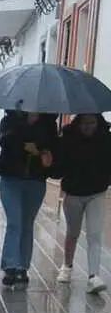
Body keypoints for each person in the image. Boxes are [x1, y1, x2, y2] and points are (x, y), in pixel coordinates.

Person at [0, 110, 58, 287]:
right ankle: (10, 266)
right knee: (14, 222)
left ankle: (22, 267)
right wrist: (25, 125)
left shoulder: (49, 123)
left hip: (36, 180)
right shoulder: (9, 120)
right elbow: (4, 141)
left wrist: (39, 150)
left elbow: (53, 145)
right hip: (10, 178)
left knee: (27, 224)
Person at [52, 113, 109, 295]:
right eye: (84, 123)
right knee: (73, 232)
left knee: (94, 233)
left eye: (91, 123)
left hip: (97, 193)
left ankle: (93, 276)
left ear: (97, 123)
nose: (88, 127)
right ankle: (67, 266)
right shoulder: (67, 139)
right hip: (73, 193)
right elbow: (58, 168)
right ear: (78, 123)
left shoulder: (106, 139)